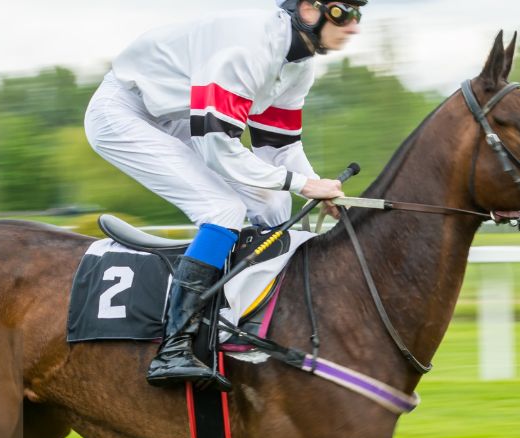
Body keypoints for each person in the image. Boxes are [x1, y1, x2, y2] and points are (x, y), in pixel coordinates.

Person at [84, 0, 365, 389]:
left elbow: (279, 148)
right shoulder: (247, 48)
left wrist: (316, 187)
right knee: (222, 209)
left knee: (272, 203)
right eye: (344, 12)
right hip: (124, 113)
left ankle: (254, 317)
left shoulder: (298, 65)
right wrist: (303, 184)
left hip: (182, 114)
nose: (353, 27)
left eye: (358, 16)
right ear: (308, 8)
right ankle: (174, 346)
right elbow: (219, 146)